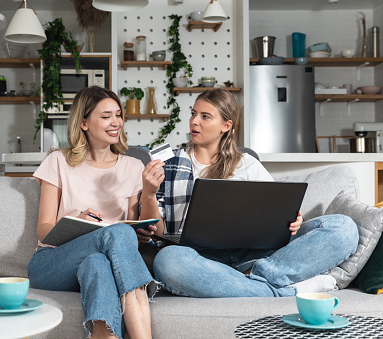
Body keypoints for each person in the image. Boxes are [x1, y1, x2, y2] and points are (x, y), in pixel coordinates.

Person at [151, 88, 359, 298]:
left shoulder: (247, 163)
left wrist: (293, 221)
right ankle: (285, 292)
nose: (195, 121)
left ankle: (257, 278)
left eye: (205, 116)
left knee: (344, 227)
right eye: (193, 113)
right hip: (202, 260)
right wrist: (149, 193)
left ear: (226, 125)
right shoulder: (169, 164)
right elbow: (158, 232)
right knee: (167, 261)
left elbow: (278, 209)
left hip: (257, 256)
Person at [27, 86, 164, 339]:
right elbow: (44, 231)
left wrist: (149, 193)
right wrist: (73, 222)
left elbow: (155, 229)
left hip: (106, 261)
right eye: (106, 116)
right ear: (84, 123)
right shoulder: (58, 161)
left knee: (97, 262)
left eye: (119, 114)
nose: (116, 122)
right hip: (53, 262)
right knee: (118, 234)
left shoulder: (134, 166)